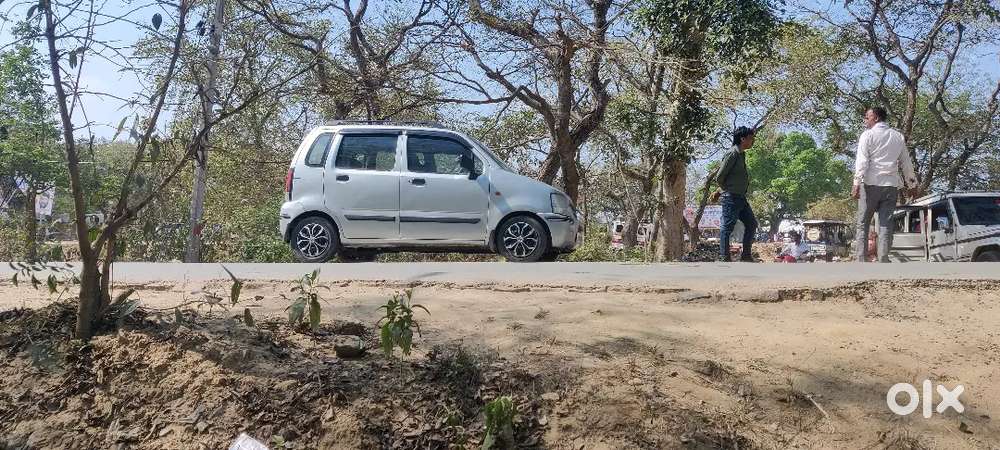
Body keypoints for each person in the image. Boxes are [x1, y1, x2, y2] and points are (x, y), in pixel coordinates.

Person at [851, 106, 918, 263]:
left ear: (876, 118)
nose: (865, 120)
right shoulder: (898, 136)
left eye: (867, 117)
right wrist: (912, 184)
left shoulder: (867, 135)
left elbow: (862, 161)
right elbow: (906, 162)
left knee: (863, 223)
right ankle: (883, 259)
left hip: (870, 184)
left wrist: (856, 182)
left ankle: (861, 260)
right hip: (890, 186)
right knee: (886, 224)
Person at [714, 126, 759, 262]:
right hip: (731, 197)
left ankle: (746, 256)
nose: (752, 141)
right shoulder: (732, 153)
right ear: (742, 139)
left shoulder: (741, 154)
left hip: (741, 198)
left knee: (751, 224)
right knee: (727, 227)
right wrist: (726, 190)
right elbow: (719, 177)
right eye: (750, 138)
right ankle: (724, 257)